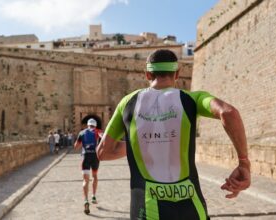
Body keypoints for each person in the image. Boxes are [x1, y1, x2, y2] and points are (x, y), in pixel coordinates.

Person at [97, 49, 250, 220]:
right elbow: (229, 113)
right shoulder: (192, 99)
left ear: (147, 74)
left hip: (147, 209)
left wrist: (140, 145)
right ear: (177, 74)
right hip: (192, 207)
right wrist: (244, 163)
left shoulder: (127, 103)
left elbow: (103, 152)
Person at [74, 118, 103, 215]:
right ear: (95, 125)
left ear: (87, 125)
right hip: (95, 157)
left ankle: (86, 200)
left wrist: (83, 144)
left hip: (85, 156)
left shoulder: (82, 133)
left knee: (85, 180)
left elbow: (76, 147)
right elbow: (103, 139)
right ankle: (93, 196)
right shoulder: (98, 131)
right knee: (94, 176)